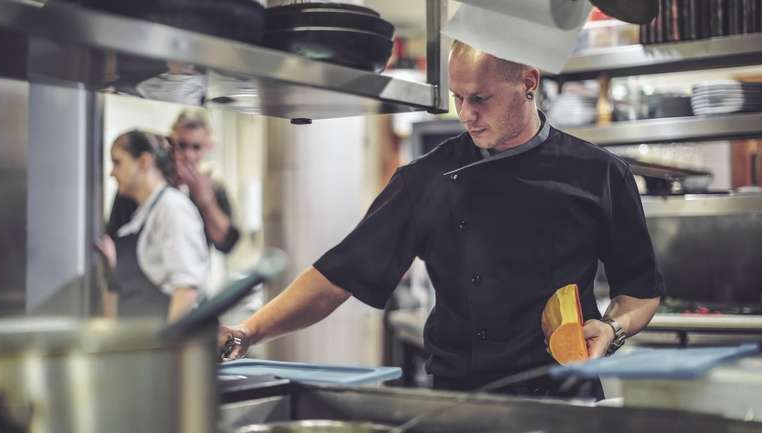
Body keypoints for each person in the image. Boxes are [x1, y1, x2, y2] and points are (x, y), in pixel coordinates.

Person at [219, 41, 663, 398]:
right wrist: (248, 331)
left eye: (480, 98)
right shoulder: (427, 179)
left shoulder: (600, 172)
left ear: (529, 82)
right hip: (465, 402)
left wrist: (610, 327)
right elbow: (338, 275)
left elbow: (640, 293)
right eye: (457, 97)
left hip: (569, 396)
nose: (465, 113)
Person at [96, 130, 209, 322]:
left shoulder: (172, 208)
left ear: (144, 162)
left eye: (117, 162)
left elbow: (187, 290)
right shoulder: (143, 215)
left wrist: (170, 349)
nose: (112, 173)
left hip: (161, 348)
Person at [106, 109, 240, 254]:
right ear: (171, 142)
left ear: (207, 147)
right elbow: (115, 237)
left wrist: (207, 203)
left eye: (196, 147)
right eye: (182, 145)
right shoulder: (143, 187)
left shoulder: (214, 189)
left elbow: (227, 244)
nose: (188, 155)